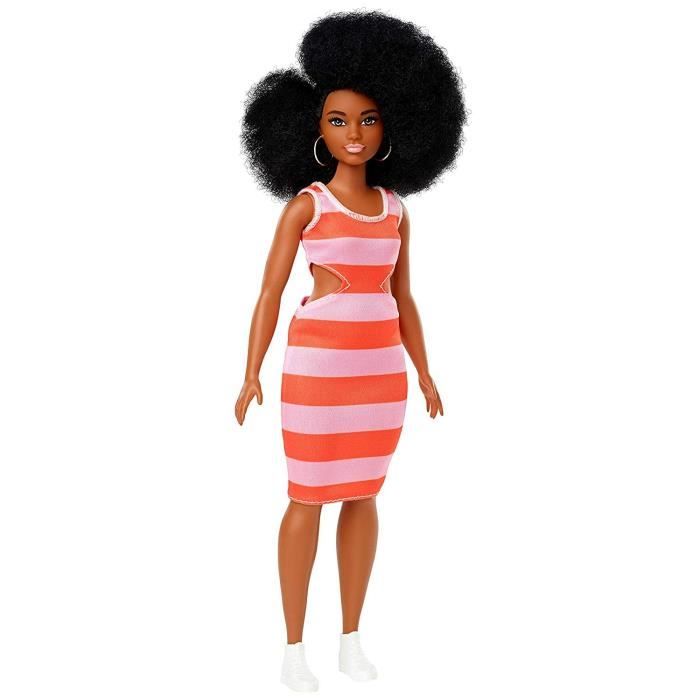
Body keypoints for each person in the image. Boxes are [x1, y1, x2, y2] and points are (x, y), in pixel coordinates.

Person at [235, 10, 467, 691]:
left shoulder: (395, 210)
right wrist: (250, 372)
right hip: (317, 371)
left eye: (368, 120)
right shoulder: (306, 207)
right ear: (314, 127)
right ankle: (292, 647)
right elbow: (271, 291)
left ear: (394, 126)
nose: (355, 134)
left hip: (380, 375)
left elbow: (404, 296)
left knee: (364, 495)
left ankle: (351, 639)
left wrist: (425, 371)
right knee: (307, 496)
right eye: (339, 120)